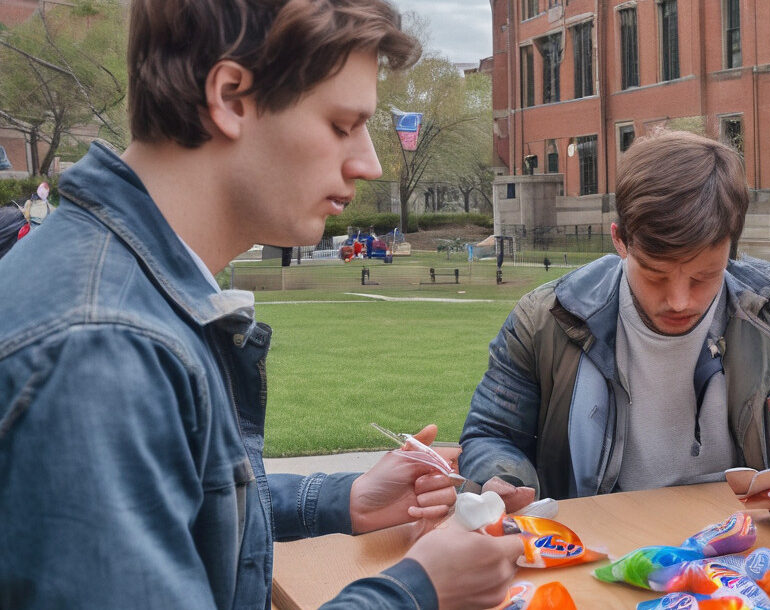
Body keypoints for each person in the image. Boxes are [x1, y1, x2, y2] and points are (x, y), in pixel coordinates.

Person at [0, 1, 522, 608]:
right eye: (341, 124)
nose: (370, 163)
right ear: (230, 98)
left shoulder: (131, 292)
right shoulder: (103, 348)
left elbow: (184, 504)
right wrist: (417, 592)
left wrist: (344, 499)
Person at [459, 130, 770, 520]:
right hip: (600, 545)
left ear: (732, 246)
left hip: (748, 543)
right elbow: (491, 435)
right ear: (620, 240)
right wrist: (500, 480)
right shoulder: (546, 320)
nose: (680, 301)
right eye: (656, 275)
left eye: (704, 276)